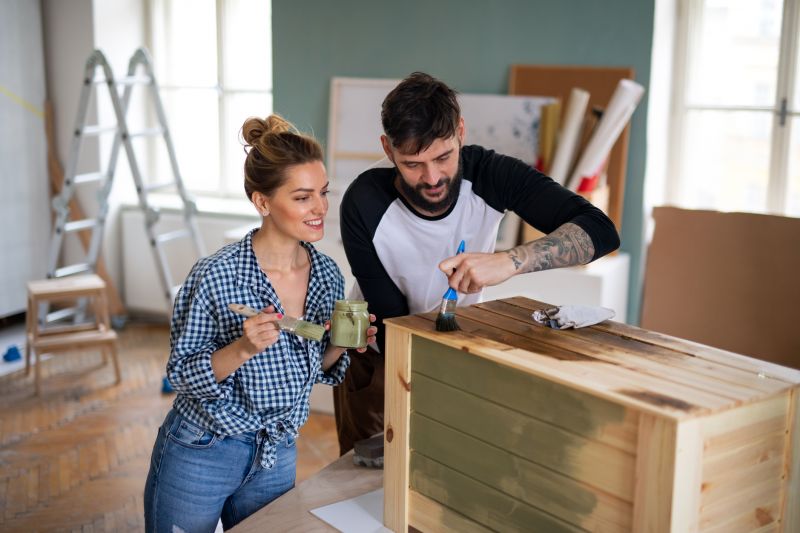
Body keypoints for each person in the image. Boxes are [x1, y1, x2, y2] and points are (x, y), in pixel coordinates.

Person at [334, 72, 620, 454]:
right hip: (379, 358)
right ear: (388, 150)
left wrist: (511, 261)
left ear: (461, 132)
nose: (432, 178)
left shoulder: (491, 175)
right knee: (364, 484)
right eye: (413, 164)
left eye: (443, 157)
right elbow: (392, 325)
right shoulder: (364, 202)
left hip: (454, 348)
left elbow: (601, 232)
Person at [143, 114, 377, 532]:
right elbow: (181, 373)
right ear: (263, 202)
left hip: (277, 451)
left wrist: (341, 345)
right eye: (303, 197)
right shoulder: (216, 275)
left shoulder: (327, 275)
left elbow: (312, 371)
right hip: (203, 449)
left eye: (322, 193)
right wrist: (242, 348)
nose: (321, 208)